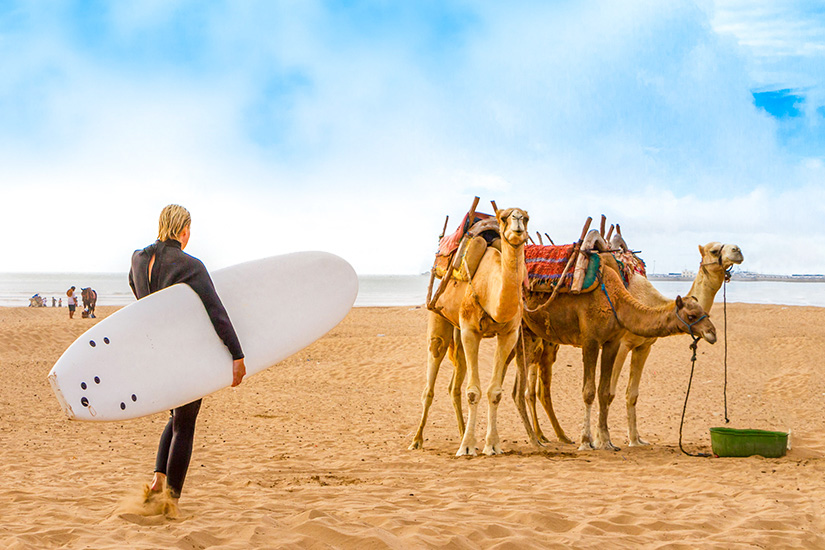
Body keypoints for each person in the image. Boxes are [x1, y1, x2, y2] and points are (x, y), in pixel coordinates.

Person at [128, 204, 246, 502]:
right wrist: (237, 354)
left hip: (156, 352)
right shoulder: (189, 265)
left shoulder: (138, 260)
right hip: (184, 352)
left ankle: (158, 479)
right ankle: (172, 500)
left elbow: (137, 294)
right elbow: (215, 311)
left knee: (176, 415)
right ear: (184, 230)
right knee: (185, 423)